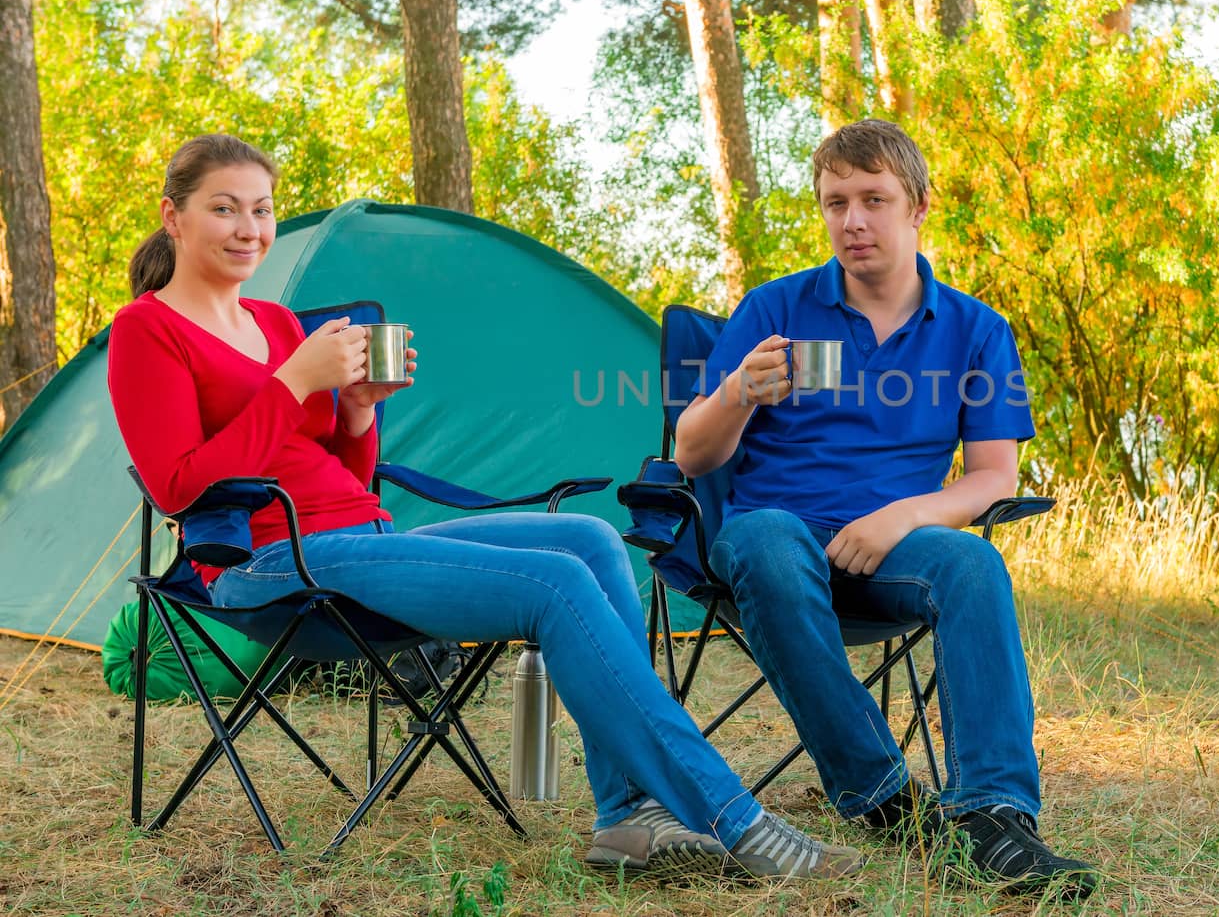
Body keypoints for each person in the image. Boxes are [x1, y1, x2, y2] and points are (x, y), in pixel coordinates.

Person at [107, 133, 862, 881]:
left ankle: (629, 814)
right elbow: (180, 486)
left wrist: (359, 412)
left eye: (262, 209)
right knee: (554, 584)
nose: (250, 228)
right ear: (174, 218)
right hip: (267, 565)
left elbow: (340, 476)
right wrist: (294, 383)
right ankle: (737, 819)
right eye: (225, 209)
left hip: (356, 540)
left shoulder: (274, 323)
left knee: (591, 540)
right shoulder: (148, 330)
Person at [674, 119, 1098, 897]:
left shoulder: (976, 331)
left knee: (972, 560)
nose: (853, 221)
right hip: (777, 543)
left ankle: (992, 819)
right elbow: (691, 455)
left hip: (890, 551)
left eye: (874, 199)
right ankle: (884, 798)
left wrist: (902, 517)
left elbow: (994, 479)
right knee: (767, 537)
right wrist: (738, 392)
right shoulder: (774, 310)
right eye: (836, 203)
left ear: (918, 206)